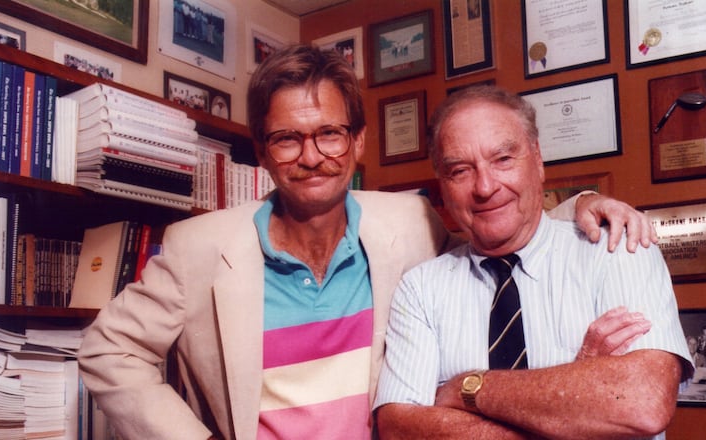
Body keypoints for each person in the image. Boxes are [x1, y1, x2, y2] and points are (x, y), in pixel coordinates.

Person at [77, 45, 657, 440]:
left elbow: (490, 215)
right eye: (287, 139)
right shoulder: (199, 247)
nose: (311, 157)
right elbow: (108, 352)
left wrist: (582, 205)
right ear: (261, 151)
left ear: (357, 142)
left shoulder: (407, 222)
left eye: (329, 133)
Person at [374, 85, 693, 440]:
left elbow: (641, 403)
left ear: (538, 160)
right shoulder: (420, 289)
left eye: (503, 160)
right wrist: (574, 393)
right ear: (443, 186)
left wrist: (467, 388)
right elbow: (399, 429)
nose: (484, 186)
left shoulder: (617, 246)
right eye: (460, 170)